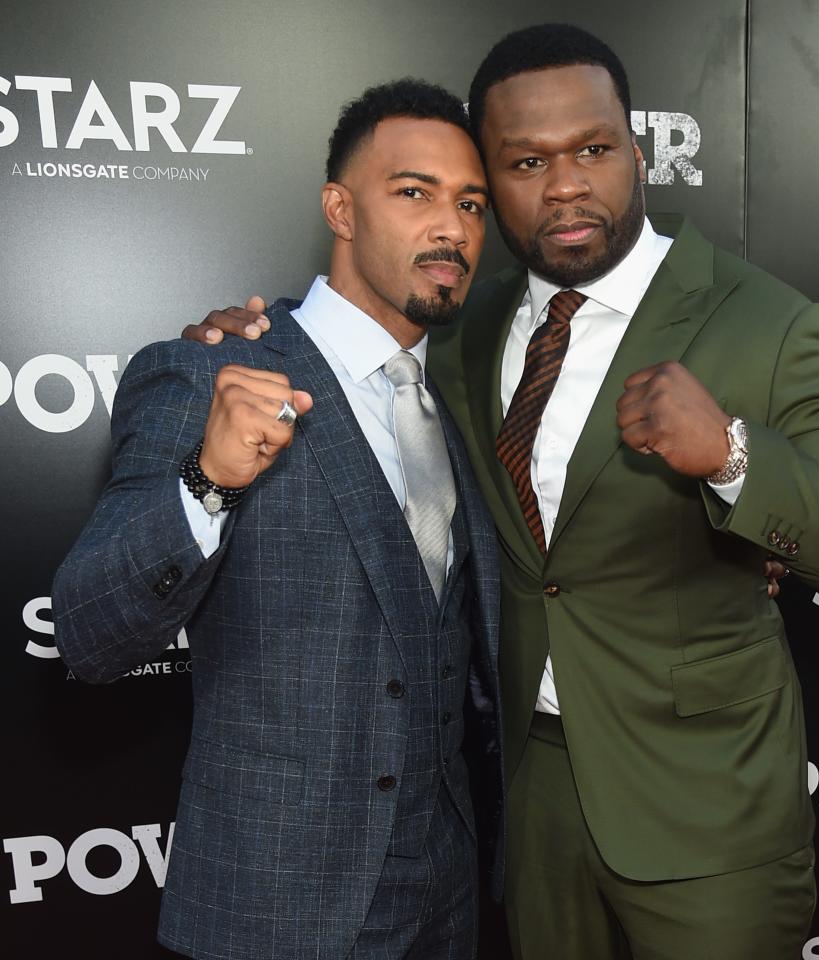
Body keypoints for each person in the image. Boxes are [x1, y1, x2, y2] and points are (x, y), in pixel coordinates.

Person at [185, 23, 819, 960]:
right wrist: (241, 339)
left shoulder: (766, 321)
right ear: (491, 190)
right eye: (526, 162)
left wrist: (735, 453)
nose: (566, 183)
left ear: (639, 153)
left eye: (594, 149)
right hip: (528, 803)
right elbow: (348, 352)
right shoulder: (463, 325)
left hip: (707, 818)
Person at [53, 80, 503, 960]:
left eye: (471, 203)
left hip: (447, 899)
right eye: (413, 192)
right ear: (339, 207)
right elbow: (88, 631)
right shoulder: (208, 372)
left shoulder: (456, 402)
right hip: (276, 907)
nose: (450, 226)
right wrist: (210, 478)